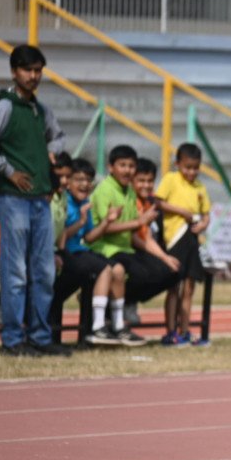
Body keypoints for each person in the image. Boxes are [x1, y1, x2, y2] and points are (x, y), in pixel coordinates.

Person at [0, 44, 70, 356]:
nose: (33, 76)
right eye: (27, 70)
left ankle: (40, 338)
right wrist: (7, 169)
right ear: (14, 71)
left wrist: (51, 152)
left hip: (40, 200)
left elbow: (59, 137)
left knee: (44, 273)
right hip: (14, 199)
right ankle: (13, 340)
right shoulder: (6, 107)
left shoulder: (40, 110)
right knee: (16, 273)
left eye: (38, 70)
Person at [86, 145, 153, 347]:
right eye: (122, 165)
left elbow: (133, 229)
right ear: (111, 167)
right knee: (122, 270)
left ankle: (117, 321)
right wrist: (139, 222)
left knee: (159, 272)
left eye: (131, 166)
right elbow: (105, 228)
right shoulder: (105, 190)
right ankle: (105, 323)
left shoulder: (129, 191)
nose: (127, 170)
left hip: (124, 249)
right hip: (103, 247)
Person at [52, 158, 116, 345]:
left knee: (105, 269)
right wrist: (79, 222)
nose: (85, 184)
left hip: (79, 251)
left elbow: (89, 237)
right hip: (65, 253)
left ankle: (88, 332)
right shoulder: (63, 201)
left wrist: (106, 222)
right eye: (79, 179)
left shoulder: (85, 203)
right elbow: (60, 236)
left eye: (88, 180)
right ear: (68, 181)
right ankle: (98, 326)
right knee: (103, 269)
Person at [155, 143, 211, 345]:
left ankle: (185, 330)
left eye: (195, 168)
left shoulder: (200, 187)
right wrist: (181, 212)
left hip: (192, 240)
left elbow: (206, 214)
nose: (191, 172)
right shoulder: (171, 179)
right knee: (174, 287)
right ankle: (171, 331)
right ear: (178, 164)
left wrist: (203, 224)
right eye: (187, 167)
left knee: (189, 288)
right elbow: (158, 202)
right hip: (174, 239)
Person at [119, 157, 182, 332]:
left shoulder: (151, 203)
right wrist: (163, 257)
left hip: (143, 250)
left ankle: (130, 300)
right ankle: (121, 301)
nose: (146, 185)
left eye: (150, 181)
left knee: (174, 272)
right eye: (141, 181)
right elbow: (134, 237)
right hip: (126, 250)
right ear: (132, 181)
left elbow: (148, 236)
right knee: (146, 272)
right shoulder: (129, 200)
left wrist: (166, 257)